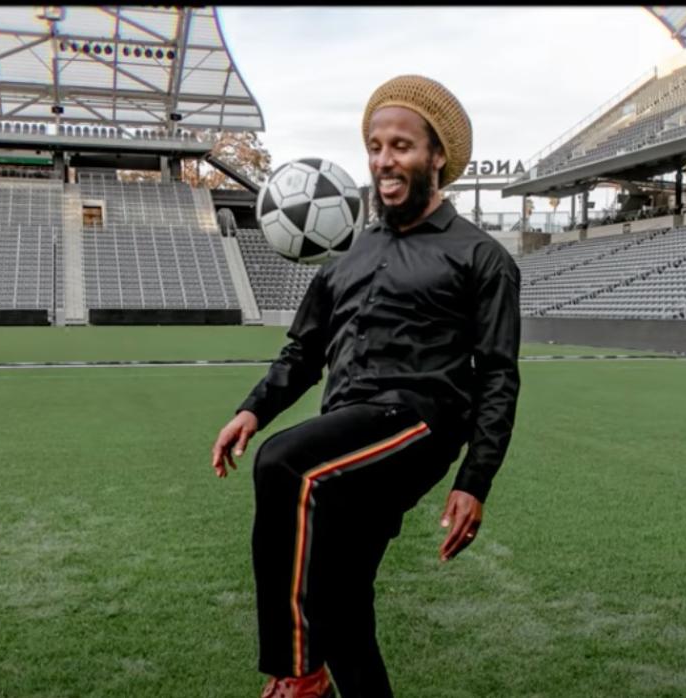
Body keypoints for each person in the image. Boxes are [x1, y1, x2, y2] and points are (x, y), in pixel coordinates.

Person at [210, 74, 521, 698]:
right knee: (339, 603)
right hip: (348, 443)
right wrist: (252, 410)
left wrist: (474, 480)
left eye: (402, 145)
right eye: (376, 146)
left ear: (437, 157)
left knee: (283, 464)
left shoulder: (481, 257)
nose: (384, 159)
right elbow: (304, 351)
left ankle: (297, 672)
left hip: (417, 423)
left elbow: (497, 376)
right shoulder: (348, 255)